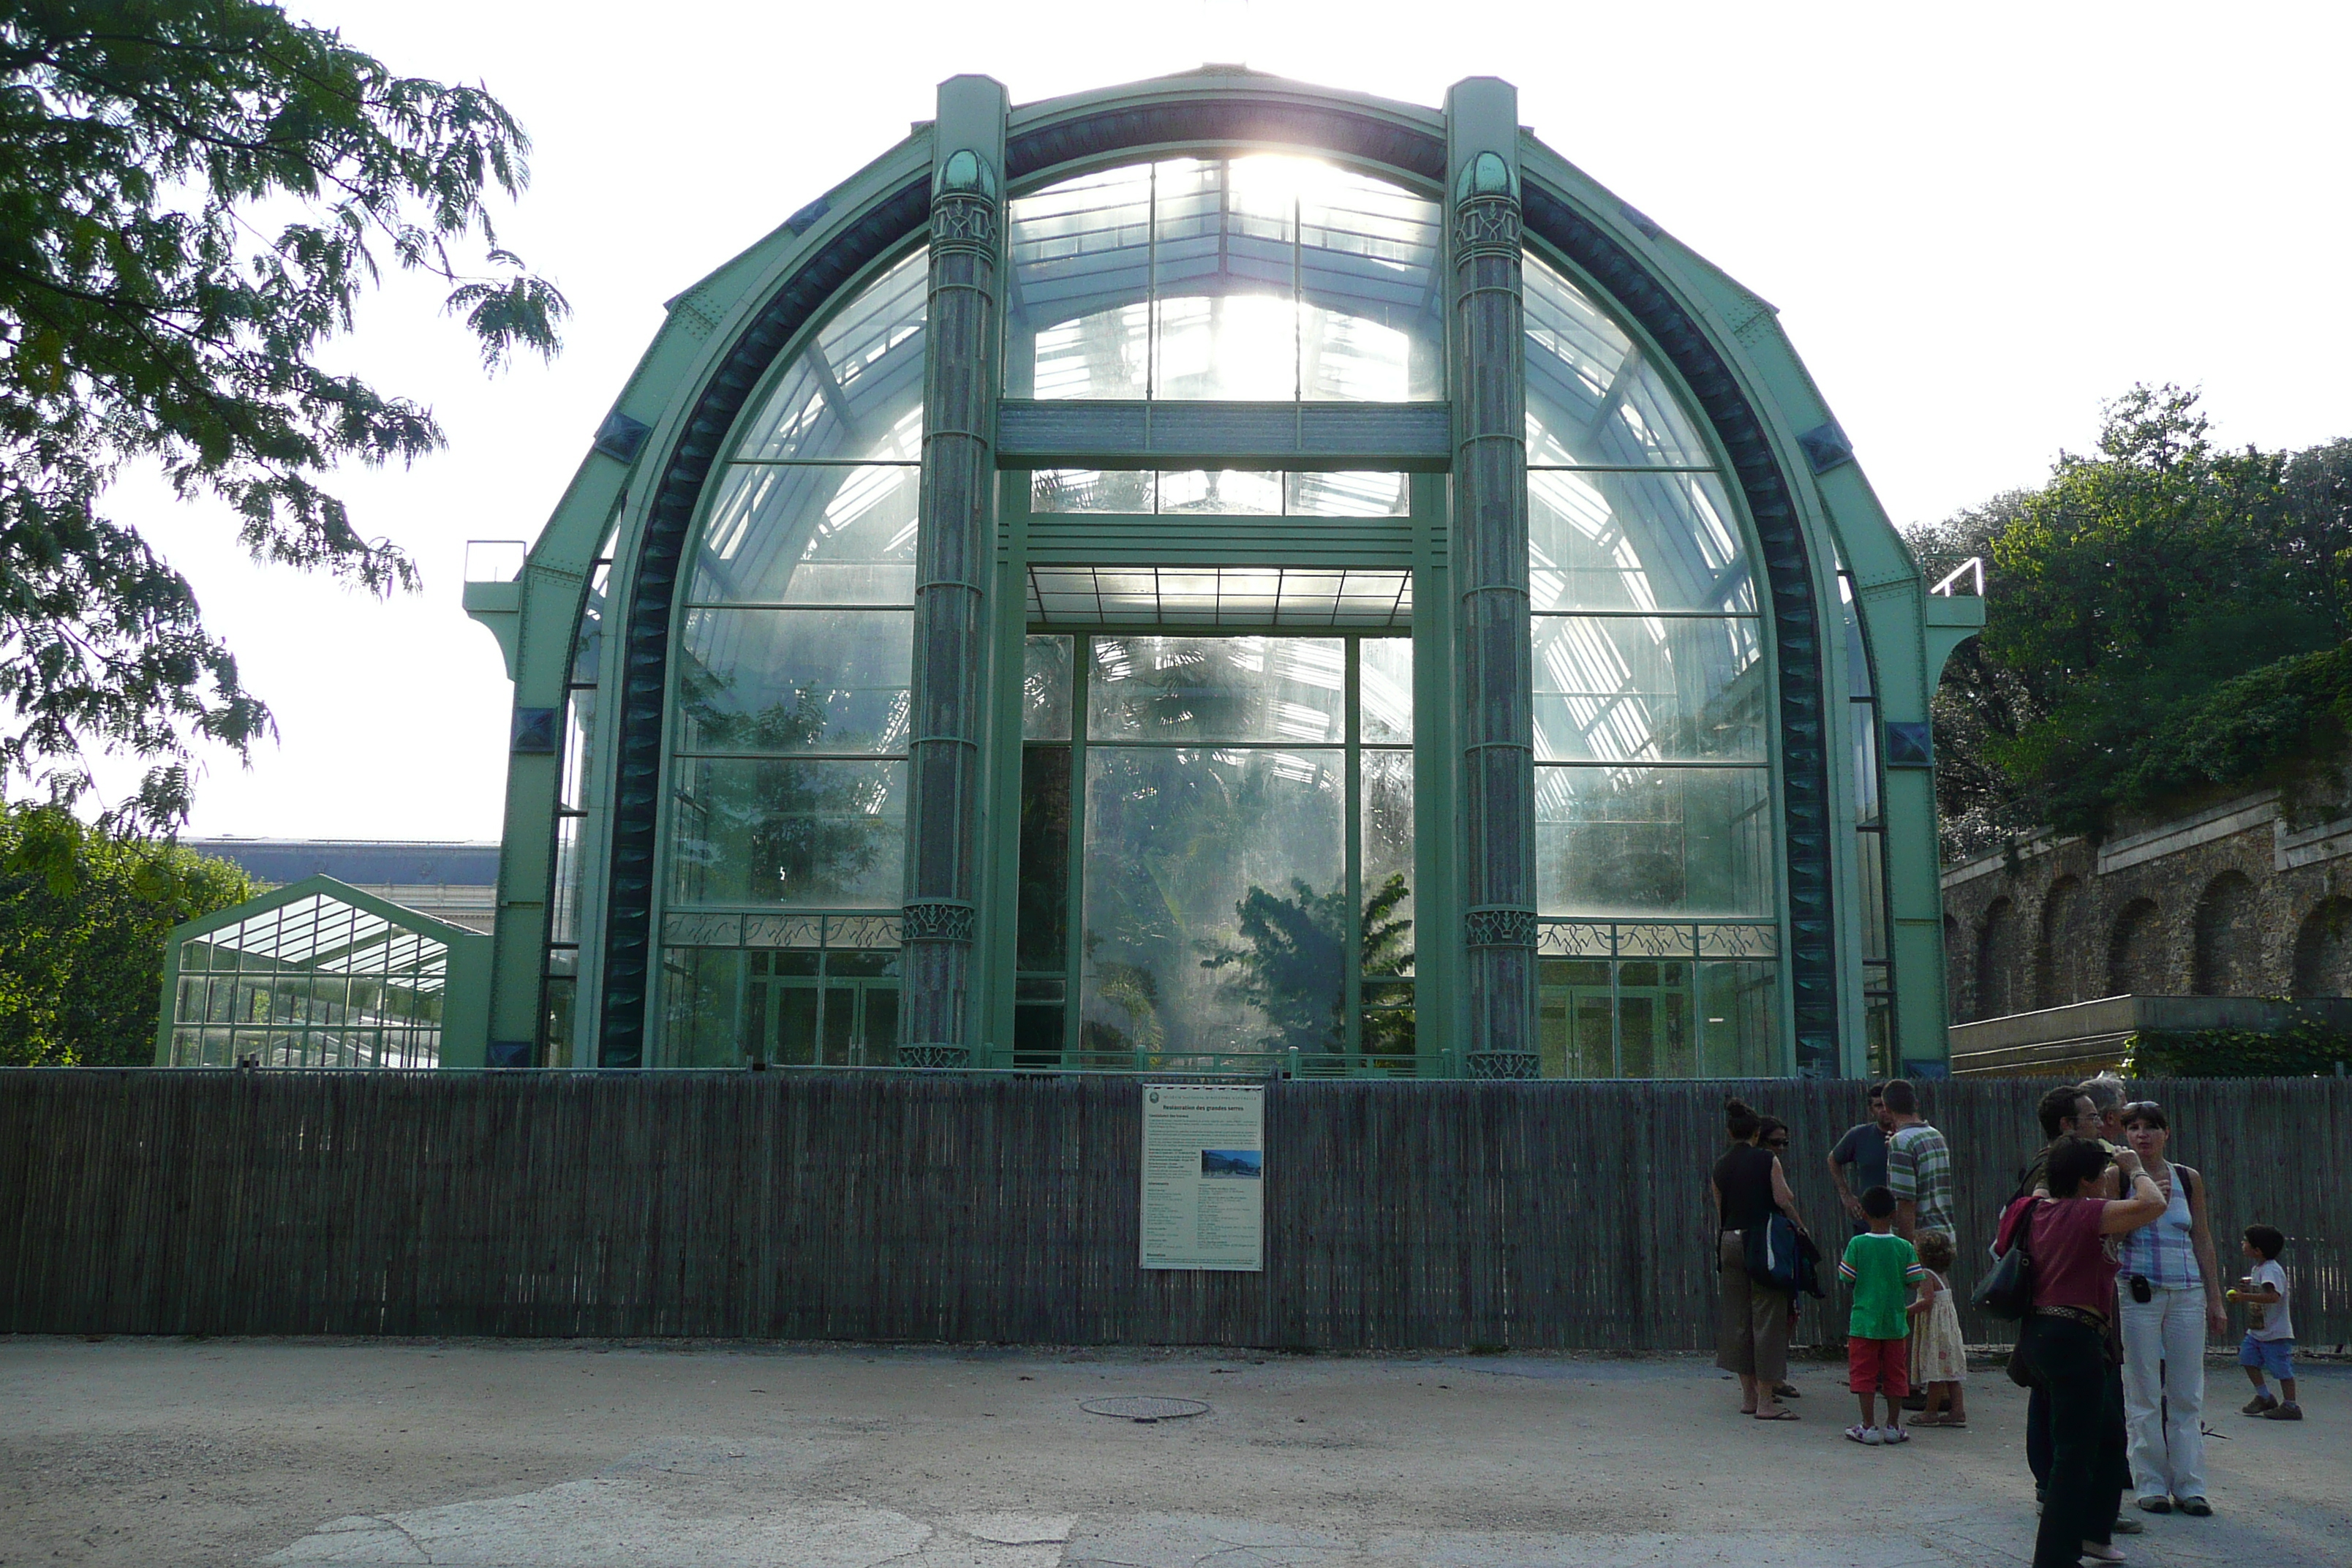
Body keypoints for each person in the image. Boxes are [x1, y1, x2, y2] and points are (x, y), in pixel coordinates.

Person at [1997, 1135, 2168, 1568]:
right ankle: (2054, 1558)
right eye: (2102, 1176)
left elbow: (2003, 1245)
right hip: (2072, 1337)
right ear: (2087, 1180)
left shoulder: (2033, 1209)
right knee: (2073, 1455)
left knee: (2109, 1436)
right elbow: (2153, 1204)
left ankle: (2093, 1532)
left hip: (2045, 1335)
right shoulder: (2086, 1213)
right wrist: (2135, 1168)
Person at [2116, 1101, 2225, 1515]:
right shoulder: (2119, 1177)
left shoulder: (2186, 1178)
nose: (2142, 1135)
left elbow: (2202, 1238)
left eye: (2151, 1128)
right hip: (2138, 1292)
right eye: (2134, 1128)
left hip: (2186, 1293)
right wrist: (2142, 1204)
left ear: (2167, 1133)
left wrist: (2214, 1298)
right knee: (2142, 1386)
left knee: (2186, 1391)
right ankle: (2150, 1483)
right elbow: (2106, 1234)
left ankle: (2191, 1484)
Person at [1710, 1097, 1807, 1421]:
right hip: (1761, 1242)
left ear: (1729, 1132)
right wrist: (1798, 1224)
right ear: (1756, 1133)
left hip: (1729, 1241)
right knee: (1767, 1319)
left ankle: (1748, 1397)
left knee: (1738, 1321)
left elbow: (1720, 1209)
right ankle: (1767, 1402)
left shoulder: (1720, 1165)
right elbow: (1783, 1199)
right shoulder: (1767, 1160)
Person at [1839, 1186, 1921, 1445]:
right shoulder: (1904, 1247)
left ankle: (1868, 1426)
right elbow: (1915, 1282)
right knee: (1896, 1374)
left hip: (1864, 1321)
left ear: (1863, 1212)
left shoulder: (1858, 1244)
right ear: (1894, 1214)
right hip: (1895, 1322)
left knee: (1864, 1373)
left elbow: (1846, 1276)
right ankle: (1894, 1426)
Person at [2228, 1224, 2300, 1421]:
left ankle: (2291, 1406)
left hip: (2275, 1333)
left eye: (2246, 1242)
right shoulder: (2259, 1268)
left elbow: (2273, 1297)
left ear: (2257, 1250)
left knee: (2281, 1370)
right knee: (2247, 1359)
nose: (2242, 1244)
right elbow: (2263, 1289)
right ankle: (2265, 1396)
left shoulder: (2271, 1270)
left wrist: (2244, 1296)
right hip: (2258, 1331)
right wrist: (2250, 1287)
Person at [1883, 1079, 1956, 1243]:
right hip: (1945, 1234)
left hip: (1922, 1240)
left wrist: (1905, 1250)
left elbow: (1906, 1202)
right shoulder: (1936, 1135)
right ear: (1915, 1104)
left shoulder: (1901, 1142)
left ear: (1887, 1108)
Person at [1908, 1229, 1967, 1428]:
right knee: (1950, 1373)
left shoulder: (1926, 1275)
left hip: (1935, 1330)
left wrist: (1905, 1311)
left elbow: (1927, 1301)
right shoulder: (1942, 1275)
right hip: (1947, 1329)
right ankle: (1957, 1411)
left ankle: (1930, 1413)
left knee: (1935, 1373)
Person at [1828, 1083, 1893, 1232]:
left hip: (1904, 1216)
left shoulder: (1908, 1136)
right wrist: (1846, 1195)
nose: (1885, 1110)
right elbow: (1833, 1159)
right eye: (1879, 1106)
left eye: (1887, 1105)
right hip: (1869, 1221)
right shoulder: (1859, 1136)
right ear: (1871, 1111)